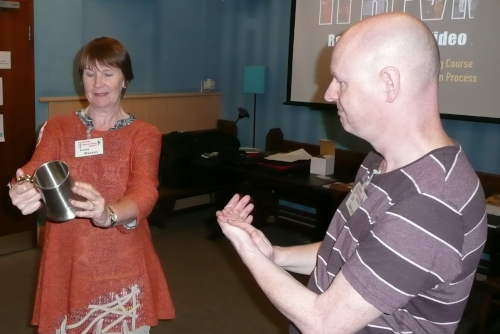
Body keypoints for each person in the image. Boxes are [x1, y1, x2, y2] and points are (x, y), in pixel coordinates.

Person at [216, 12, 487, 334]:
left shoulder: (428, 205)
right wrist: (274, 254)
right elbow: (352, 253)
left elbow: (323, 323)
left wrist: (248, 253)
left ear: (389, 83)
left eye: (341, 81)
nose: (329, 93)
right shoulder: (380, 161)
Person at [8, 37, 175, 334]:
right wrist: (21, 186)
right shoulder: (58, 128)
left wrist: (107, 213)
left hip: (123, 260)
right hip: (67, 258)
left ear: (125, 80)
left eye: (108, 73)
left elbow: (145, 192)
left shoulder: (144, 134)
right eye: (89, 73)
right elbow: (34, 170)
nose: (98, 82)